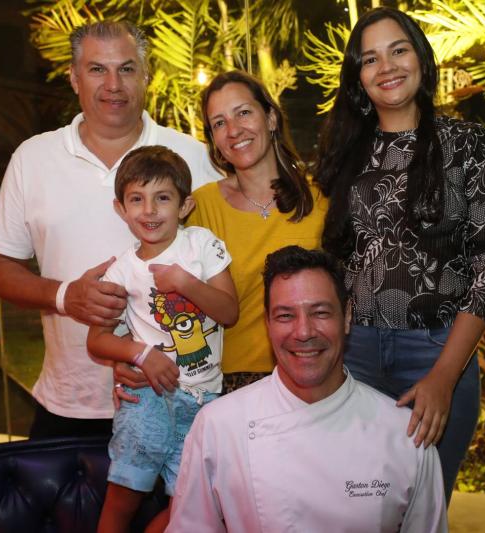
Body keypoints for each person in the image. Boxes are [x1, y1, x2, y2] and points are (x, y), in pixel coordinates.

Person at [0, 20, 222, 439]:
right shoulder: (33, 158)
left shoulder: (193, 157)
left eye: (126, 69)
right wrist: (65, 296)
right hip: (68, 404)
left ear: (145, 76)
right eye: (97, 69)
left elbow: (225, 277)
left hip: (179, 403)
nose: (114, 84)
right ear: (75, 78)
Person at [315, 7, 485, 503]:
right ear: (358, 77)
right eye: (370, 59)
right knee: (358, 505)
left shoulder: (466, 143)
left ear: (421, 58)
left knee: (423, 507)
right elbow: (336, 253)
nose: (386, 67)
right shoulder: (347, 151)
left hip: (438, 350)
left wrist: (444, 376)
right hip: (355, 354)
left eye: (398, 50)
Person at [166, 246, 448, 533]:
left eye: (320, 312)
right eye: (285, 316)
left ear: (347, 316)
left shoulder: (404, 435)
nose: (304, 332)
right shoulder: (218, 425)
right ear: (268, 324)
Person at [85, 146, 237, 533]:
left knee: (190, 506)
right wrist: (141, 354)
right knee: (123, 495)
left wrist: (184, 281)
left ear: (185, 206)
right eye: (137, 199)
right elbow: (97, 341)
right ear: (120, 209)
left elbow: (229, 312)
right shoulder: (121, 270)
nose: (149, 210)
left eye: (163, 198)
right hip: (148, 398)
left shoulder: (202, 244)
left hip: (204, 402)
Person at [187, 71, 328, 392]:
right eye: (219, 123)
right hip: (229, 385)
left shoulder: (320, 201)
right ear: (213, 140)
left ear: (271, 118)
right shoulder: (200, 208)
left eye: (243, 113)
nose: (234, 130)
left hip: (312, 378)